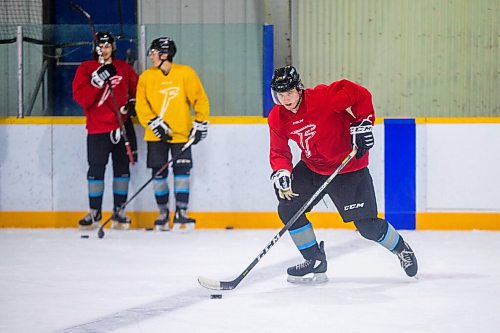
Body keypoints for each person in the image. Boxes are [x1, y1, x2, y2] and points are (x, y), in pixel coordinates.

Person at [268, 65, 418, 284]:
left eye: (289, 93)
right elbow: (279, 151)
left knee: (368, 227)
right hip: (313, 168)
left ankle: (401, 249)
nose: (286, 99)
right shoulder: (278, 117)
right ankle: (314, 259)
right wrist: (281, 171)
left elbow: (361, 95)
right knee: (288, 206)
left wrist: (363, 124)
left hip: (348, 168)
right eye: (280, 94)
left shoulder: (323, 98)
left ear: (299, 89)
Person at [135, 37, 209, 232]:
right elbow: (140, 105)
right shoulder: (146, 77)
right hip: (155, 135)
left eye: (154, 52)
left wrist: (200, 123)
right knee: (158, 173)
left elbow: (199, 99)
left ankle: (181, 212)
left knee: (182, 173)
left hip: (181, 134)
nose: (151, 55)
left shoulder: (186, 73)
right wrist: (152, 122)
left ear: (164, 54)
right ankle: (162, 213)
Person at [73, 31, 138, 230]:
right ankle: (95, 212)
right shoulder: (86, 68)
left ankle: (120, 212)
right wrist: (96, 81)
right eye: (101, 46)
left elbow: (138, 93)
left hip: (121, 128)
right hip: (97, 129)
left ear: (113, 48)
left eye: (108, 46)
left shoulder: (124, 68)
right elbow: (82, 99)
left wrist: (131, 105)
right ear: (95, 48)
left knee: (122, 171)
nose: (104, 49)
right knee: (95, 171)